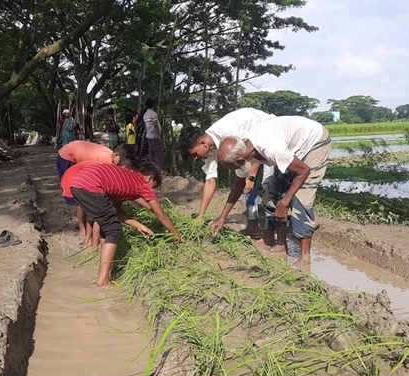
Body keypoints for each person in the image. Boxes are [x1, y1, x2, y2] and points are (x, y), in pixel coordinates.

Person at [210, 116, 333, 266]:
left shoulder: (270, 147)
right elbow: (238, 185)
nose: (236, 171)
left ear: (241, 161)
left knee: (301, 198)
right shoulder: (244, 148)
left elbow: (304, 171)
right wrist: (223, 217)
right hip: (291, 149)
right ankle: (280, 244)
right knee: (271, 195)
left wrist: (286, 201)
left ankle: (304, 258)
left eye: (234, 168)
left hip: (314, 141)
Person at [70, 162, 182, 287]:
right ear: (150, 177)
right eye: (153, 186)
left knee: (106, 228)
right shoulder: (143, 184)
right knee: (114, 231)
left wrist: (139, 225)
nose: (151, 190)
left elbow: (117, 211)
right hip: (90, 186)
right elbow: (161, 215)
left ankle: (106, 273)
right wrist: (177, 236)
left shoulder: (126, 180)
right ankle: (102, 282)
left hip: (77, 184)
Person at [179, 108, 276, 236]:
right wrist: (200, 217)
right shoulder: (211, 146)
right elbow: (210, 181)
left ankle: (273, 233)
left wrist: (251, 177)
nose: (195, 158)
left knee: (267, 183)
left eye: (194, 154)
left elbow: (256, 146)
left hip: (270, 134)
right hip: (252, 146)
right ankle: (253, 226)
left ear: (203, 143)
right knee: (245, 183)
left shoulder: (229, 132)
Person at [60, 144, 144, 249]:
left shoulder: (113, 166)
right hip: (76, 177)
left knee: (95, 212)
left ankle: (91, 241)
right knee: (98, 214)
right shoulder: (108, 165)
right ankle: (89, 239)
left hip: (81, 179)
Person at [142, 98, 163, 168]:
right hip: (154, 135)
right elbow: (155, 125)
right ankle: (158, 168)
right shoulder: (153, 114)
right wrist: (159, 136)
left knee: (151, 152)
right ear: (152, 105)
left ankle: (152, 167)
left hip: (149, 135)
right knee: (158, 153)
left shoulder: (145, 115)